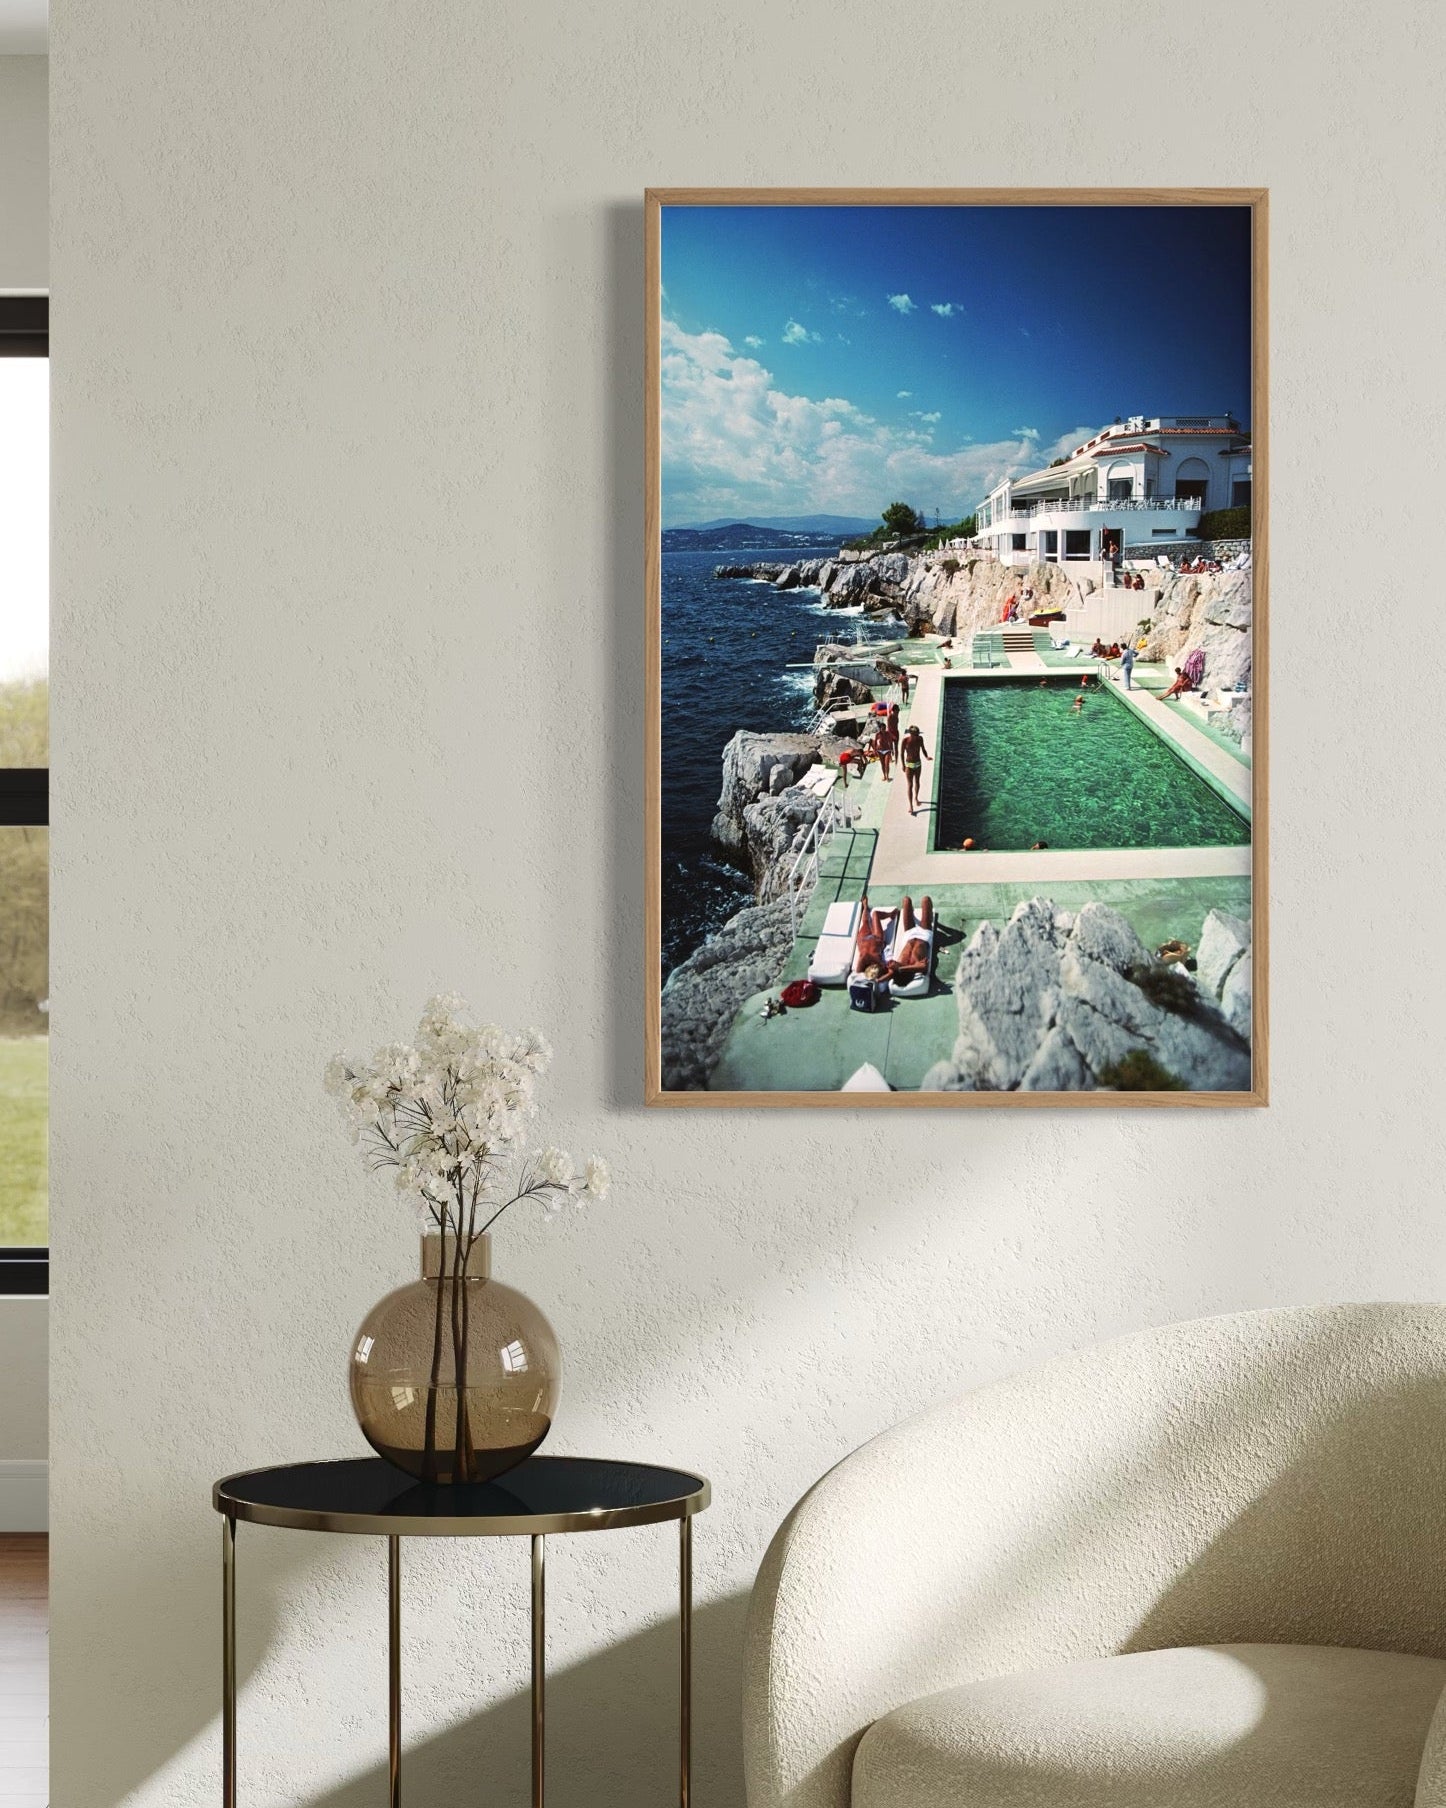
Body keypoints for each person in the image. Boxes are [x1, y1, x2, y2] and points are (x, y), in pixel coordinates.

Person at [889, 896, 935, 983]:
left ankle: (913, 912)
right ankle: (930, 917)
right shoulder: (917, 967)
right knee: (926, 900)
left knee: (906, 900)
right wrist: (900, 968)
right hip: (924, 935)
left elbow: (883, 977)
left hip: (909, 935)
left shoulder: (897, 965)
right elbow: (924, 967)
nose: (892, 964)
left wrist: (899, 968)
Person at [852, 896, 897, 975]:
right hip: (877, 938)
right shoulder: (879, 962)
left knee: (865, 922)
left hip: (863, 939)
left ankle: (865, 906)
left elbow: (858, 971)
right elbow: (885, 968)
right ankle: (891, 914)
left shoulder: (863, 961)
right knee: (875, 914)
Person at [900, 722, 931, 815]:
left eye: (918, 734)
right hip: (909, 764)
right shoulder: (905, 741)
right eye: (916, 734)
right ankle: (911, 805)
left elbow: (923, 749)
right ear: (911, 734)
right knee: (910, 785)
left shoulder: (920, 739)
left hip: (918, 763)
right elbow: (901, 753)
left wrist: (926, 756)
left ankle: (916, 798)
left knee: (917, 782)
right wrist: (903, 765)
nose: (918, 735)